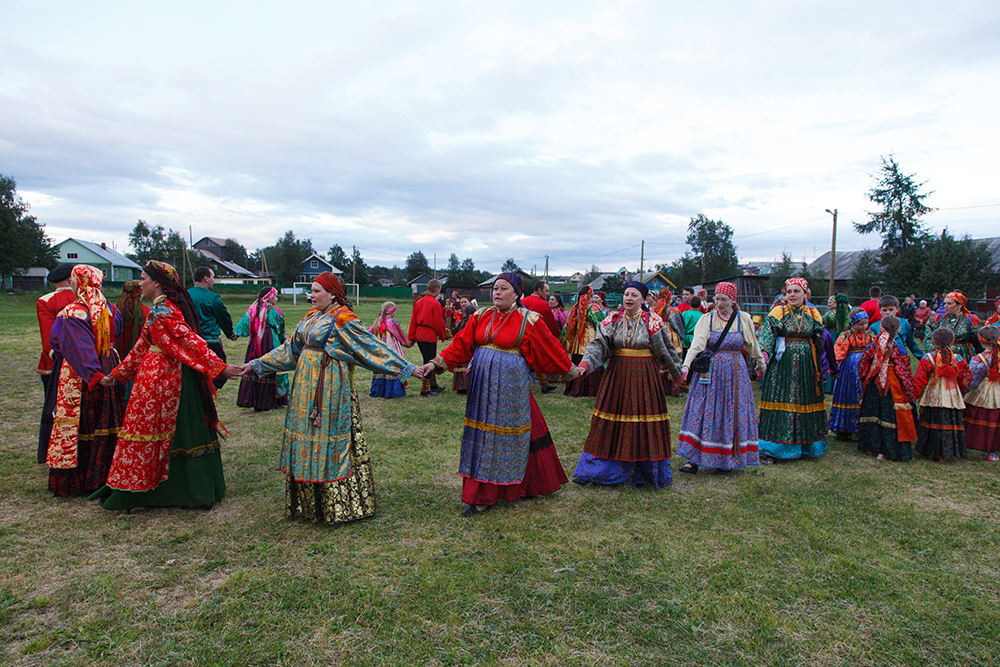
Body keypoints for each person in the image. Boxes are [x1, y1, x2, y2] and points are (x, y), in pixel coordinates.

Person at [241, 272, 420, 524]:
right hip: (304, 391)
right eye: (311, 291)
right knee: (307, 440)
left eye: (316, 291)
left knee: (328, 440)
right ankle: (310, 505)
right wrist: (258, 364)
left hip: (329, 390)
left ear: (332, 294)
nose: (310, 295)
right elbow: (289, 351)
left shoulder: (342, 319)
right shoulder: (311, 317)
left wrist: (407, 368)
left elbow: (371, 347)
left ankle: (337, 507)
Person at [416, 273, 574, 516]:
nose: (497, 292)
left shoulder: (529, 320)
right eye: (495, 288)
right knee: (483, 436)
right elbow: (461, 344)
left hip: (510, 387)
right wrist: (436, 362)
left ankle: (489, 494)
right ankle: (487, 490)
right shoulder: (481, 316)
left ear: (516, 293)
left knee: (505, 437)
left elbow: (550, 347)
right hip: (481, 387)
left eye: (503, 288)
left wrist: (574, 369)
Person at [92, 261, 241, 510]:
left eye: (143, 278)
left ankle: (170, 492)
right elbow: (141, 346)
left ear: (157, 283)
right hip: (156, 380)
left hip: (168, 381)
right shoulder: (157, 311)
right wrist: (117, 375)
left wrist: (219, 367)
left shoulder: (164, 313)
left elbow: (189, 342)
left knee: (171, 431)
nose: (140, 283)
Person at [572, 281, 681, 487]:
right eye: (626, 295)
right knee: (610, 422)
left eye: (634, 295)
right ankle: (603, 470)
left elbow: (666, 350)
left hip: (645, 377)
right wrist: (585, 364)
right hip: (617, 376)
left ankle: (644, 470)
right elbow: (598, 346)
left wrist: (677, 374)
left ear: (643, 299)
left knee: (643, 420)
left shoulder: (653, 322)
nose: (628, 298)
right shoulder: (611, 320)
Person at [41, 265, 125, 496]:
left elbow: (77, 346)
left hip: (82, 373)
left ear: (77, 282)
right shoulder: (110, 309)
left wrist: (93, 374)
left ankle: (81, 479)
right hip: (108, 363)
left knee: (82, 420)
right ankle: (104, 473)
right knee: (104, 417)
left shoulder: (73, 312)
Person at [677, 282, 765, 474]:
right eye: (716, 299)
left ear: (733, 301)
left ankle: (726, 459)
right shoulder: (707, 319)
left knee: (731, 412)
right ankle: (693, 460)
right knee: (702, 410)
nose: (719, 303)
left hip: (735, 374)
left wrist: (761, 363)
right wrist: (686, 365)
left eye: (724, 299)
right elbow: (697, 345)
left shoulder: (743, 319)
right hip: (709, 372)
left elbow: (752, 345)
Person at [757, 278, 828, 462]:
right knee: (781, 399)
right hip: (782, 365)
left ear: (805, 294)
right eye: (789, 292)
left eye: (797, 291)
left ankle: (807, 447)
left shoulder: (813, 313)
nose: (792, 295)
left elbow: (819, 340)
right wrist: (763, 357)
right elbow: (767, 337)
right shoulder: (778, 312)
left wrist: (820, 366)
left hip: (806, 364)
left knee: (805, 398)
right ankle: (774, 449)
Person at [857, 314, 919, 461]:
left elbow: (862, 366)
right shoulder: (900, 350)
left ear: (880, 328)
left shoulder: (872, 347)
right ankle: (887, 450)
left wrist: (867, 378)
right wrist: (910, 394)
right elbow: (904, 373)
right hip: (893, 386)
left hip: (875, 383)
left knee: (874, 411)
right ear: (898, 331)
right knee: (889, 414)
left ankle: (872, 447)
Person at [35, 263, 78, 464]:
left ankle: (50, 450)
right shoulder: (82, 298)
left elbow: (47, 340)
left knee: (52, 406)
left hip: (53, 363)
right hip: (81, 360)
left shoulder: (45, 301)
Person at [914, 327, 972, 462]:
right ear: (952, 342)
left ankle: (929, 449)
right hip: (951, 395)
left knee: (932, 419)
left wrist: (916, 394)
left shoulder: (928, 358)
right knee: (950, 419)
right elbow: (966, 378)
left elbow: (919, 379)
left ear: (933, 342)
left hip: (933, 394)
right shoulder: (959, 359)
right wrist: (961, 390)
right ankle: (948, 450)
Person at [234, 286, 289, 410]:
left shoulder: (253, 309)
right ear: (269, 298)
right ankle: (273, 401)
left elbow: (244, 323)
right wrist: (283, 340)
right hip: (270, 341)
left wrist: (235, 334)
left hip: (256, 342)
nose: (276, 298)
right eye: (275, 296)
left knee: (255, 365)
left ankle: (255, 400)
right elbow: (280, 327)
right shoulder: (274, 311)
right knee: (271, 364)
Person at [188, 266, 237, 389]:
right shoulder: (213, 298)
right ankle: (208, 393)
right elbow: (224, 318)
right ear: (206, 278)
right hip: (210, 342)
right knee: (221, 371)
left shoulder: (185, 295)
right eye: (212, 277)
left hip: (190, 341)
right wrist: (230, 334)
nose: (214, 280)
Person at [828, 308, 873, 440]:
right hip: (849, 370)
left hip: (865, 367)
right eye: (860, 324)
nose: (864, 326)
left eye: (866, 323)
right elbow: (838, 351)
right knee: (849, 394)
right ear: (853, 323)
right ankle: (844, 428)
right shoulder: (846, 335)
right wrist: (834, 368)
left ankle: (862, 427)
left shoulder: (870, 334)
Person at [964, 326, 1000, 461]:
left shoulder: (979, 359)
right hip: (998, 391)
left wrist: (964, 391)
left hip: (984, 392)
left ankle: (967, 445)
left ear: (980, 340)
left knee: (977, 416)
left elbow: (972, 380)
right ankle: (991, 453)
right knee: (994, 421)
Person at [364, 301, 413, 398]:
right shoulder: (392, 322)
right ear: (392, 311)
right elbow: (400, 335)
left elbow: (369, 332)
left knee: (381, 368)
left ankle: (379, 391)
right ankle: (393, 392)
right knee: (394, 367)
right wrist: (408, 343)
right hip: (391, 349)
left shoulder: (378, 321)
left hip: (380, 350)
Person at [563, 285, 605, 397]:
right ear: (590, 295)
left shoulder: (575, 308)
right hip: (589, 336)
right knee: (591, 357)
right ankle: (591, 389)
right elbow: (601, 323)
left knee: (577, 360)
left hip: (578, 337)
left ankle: (575, 387)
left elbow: (568, 324)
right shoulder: (593, 308)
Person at [408, 278, 448, 397]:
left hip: (420, 335)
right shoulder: (435, 304)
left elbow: (413, 321)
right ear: (436, 290)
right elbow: (438, 322)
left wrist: (411, 337)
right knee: (429, 361)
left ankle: (434, 385)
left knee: (430, 359)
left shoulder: (418, 302)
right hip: (428, 336)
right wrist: (443, 335)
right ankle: (425, 390)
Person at [522, 280, 561, 394]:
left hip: (522, 337)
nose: (548, 294)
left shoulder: (523, 301)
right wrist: (556, 336)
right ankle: (543, 384)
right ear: (539, 290)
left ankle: (544, 384)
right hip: (537, 337)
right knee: (538, 360)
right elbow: (550, 322)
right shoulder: (543, 304)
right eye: (546, 291)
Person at [923, 291, 982, 361]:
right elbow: (928, 338)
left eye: (949, 303)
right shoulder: (937, 319)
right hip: (941, 357)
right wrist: (935, 353)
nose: (945, 306)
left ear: (959, 305)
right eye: (945, 303)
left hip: (962, 358)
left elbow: (980, 342)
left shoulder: (970, 320)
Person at [869, 295, 924, 360]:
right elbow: (872, 347)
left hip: (901, 357)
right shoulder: (874, 326)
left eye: (891, 309)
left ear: (897, 309)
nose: (888, 312)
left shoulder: (903, 323)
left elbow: (911, 343)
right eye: (884, 310)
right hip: (882, 359)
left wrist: (924, 358)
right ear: (880, 311)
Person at [681, 295, 704, 363]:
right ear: (700, 305)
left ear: (690, 304)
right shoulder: (702, 315)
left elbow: (681, 326)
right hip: (697, 340)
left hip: (685, 340)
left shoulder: (685, 313)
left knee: (685, 359)